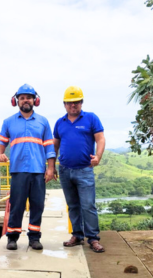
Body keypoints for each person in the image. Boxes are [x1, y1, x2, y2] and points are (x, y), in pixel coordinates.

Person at [0, 84, 56, 251]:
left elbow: (49, 147)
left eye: (28, 97)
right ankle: (12, 238)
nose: (25, 100)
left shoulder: (43, 122)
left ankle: (34, 238)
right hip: (18, 170)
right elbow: (1, 142)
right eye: (22, 98)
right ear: (17, 101)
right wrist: (0, 154)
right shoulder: (8, 122)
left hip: (38, 171)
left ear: (35, 100)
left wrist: (50, 168)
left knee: (38, 205)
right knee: (17, 205)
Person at [53, 86, 106, 253]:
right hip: (65, 171)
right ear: (64, 104)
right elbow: (55, 145)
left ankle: (93, 238)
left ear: (81, 103)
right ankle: (77, 235)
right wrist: (51, 165)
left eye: (76, 102)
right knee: (73, 205)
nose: (73, 106)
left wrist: (98, 156)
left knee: (88, 205)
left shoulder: (91, 118)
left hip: (84, 170)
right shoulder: (60, 123)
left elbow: (101, 139)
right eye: (69, 103)